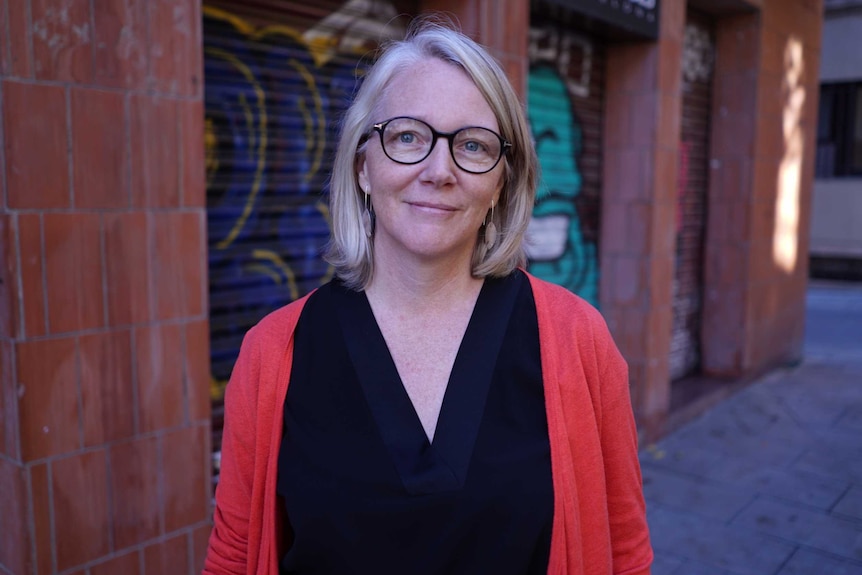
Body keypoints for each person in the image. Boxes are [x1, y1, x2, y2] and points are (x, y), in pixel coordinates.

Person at [203, 17, 652, 575]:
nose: (439, 170)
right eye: (409, 136)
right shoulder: (273, 352)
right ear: (363, 164)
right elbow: (232, 557)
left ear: (501, 184)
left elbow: (624, 551)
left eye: (472, 145)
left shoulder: (577, 340)